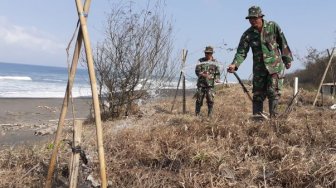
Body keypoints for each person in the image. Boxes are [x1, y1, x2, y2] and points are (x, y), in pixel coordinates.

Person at [227, 6, 293, 118]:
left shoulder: (273, 27)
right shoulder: (247, 34)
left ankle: (274, 120)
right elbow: (241, 52)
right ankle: (257, 121)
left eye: (255, 18)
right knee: (257, 95)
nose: (252, 21)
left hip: (274, 66)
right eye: (250, 19)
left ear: (261, 17)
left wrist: (287, 59)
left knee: (273, 92)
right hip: (259, 69)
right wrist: (235, 64)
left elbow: (283, 42)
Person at [195, 46, 221, 117]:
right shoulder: (200, 61)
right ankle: (197, 114)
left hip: (210, 85)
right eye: (206, 53)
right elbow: (197, 71)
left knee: (210, 100)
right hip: (201, 84)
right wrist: (203, 74)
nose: (207, 54)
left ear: (212, 53)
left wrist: (217, 79)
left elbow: (217, 73)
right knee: (199, 99)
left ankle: (210, 115)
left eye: (209, 53)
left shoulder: (215, 62)